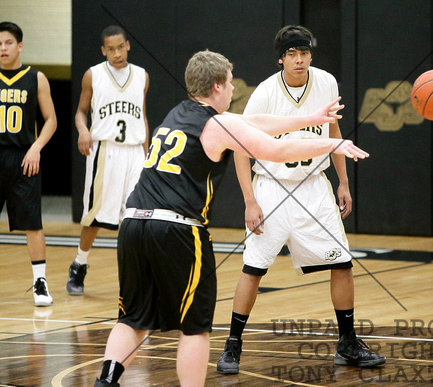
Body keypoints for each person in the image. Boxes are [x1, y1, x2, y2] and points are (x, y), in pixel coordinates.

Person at [93, 50, 367, 387]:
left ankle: (105, 381)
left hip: (134, 222)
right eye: (231, 83)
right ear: (219, 85)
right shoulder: (218, 124)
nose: (234, 89)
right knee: (195, 328)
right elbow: (275, 149)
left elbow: (255, 124)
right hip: (177, 229)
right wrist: (331, 144)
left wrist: (311, 118)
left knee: (132, 318)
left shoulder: (177, 114)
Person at [217, 25, 385, 374]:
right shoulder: (264, 93)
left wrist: (342, 181)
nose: (299, 59)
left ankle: (348, 342)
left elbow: (333, 132)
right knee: (253, 269)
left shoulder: (326, 82)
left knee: (342, 264)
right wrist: (250, 201)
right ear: (281, 58)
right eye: (292, 54)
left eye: (304, 53)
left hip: (313, 185)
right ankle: (232, 345)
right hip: (272, 187)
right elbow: (239, 149)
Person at [66, 25, 149, 296]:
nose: (117, 53)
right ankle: (79, 265)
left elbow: (142, 116)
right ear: (103, 50)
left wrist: (147, 154)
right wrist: (83, 130)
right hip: (105, 150)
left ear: (128, 45)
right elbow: (80, 111)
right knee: (95, 215)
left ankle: (138, 275)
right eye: (110, 49)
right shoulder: (93, 75)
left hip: (135, 151)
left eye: (121, 47)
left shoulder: (141, 76)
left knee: (136, 216)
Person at [0, 22, 57, 307]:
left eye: (8, 43)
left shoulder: (36, 78)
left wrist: (36, 147)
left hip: (24, 156)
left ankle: (39, 281)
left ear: (19, 45)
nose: (2, 49)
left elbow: (51, 120)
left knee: (32, 222)